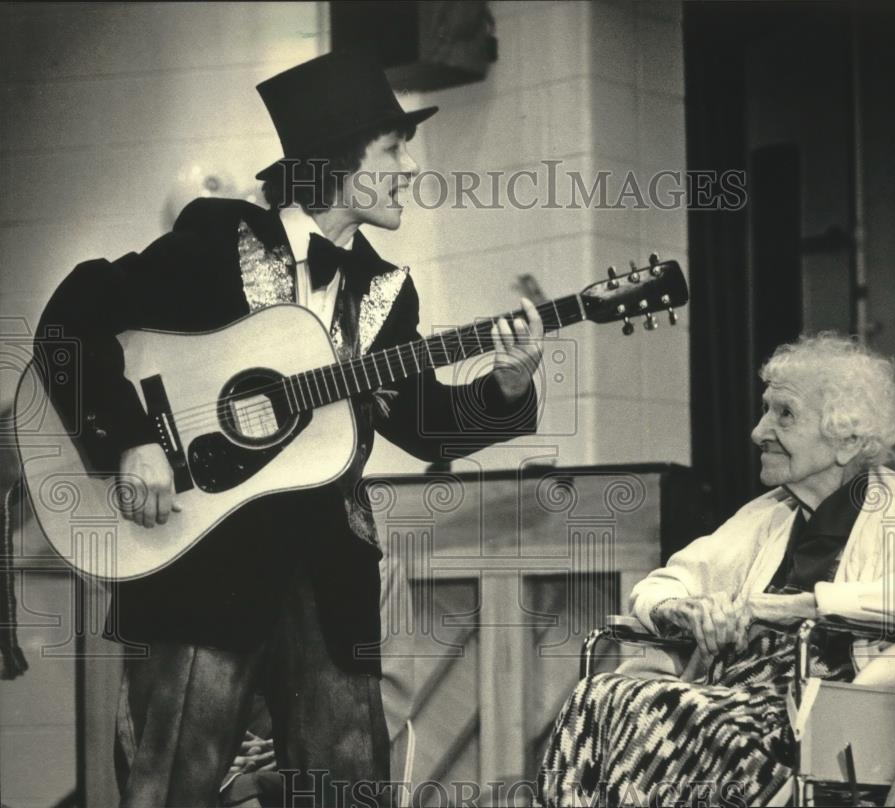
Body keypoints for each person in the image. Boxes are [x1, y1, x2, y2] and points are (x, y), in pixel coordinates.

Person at [36, 51, 543, 807]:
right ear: (341, 161)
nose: (410, 168)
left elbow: (426, 426)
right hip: (207, 562)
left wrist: (507, 387)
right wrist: (131, 438)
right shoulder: (218, 238)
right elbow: (70, 319)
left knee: (351, 789)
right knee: (173, 781)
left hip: (329, 579)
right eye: (394, 149)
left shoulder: (386, 291)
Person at [539, 333, 895, 807]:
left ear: (846, 438)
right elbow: (658, 586)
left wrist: (803, 607)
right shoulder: (770, 513)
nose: (759, 431)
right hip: (736, 694)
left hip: (821, 707)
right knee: (602, 694)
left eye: (784, 414)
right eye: (766, 410)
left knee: (670, 710)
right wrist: (684, 609)